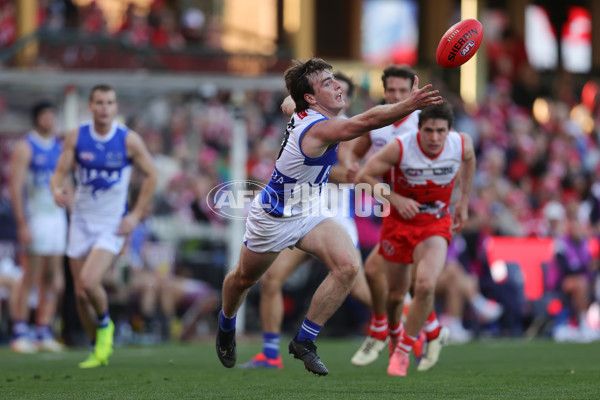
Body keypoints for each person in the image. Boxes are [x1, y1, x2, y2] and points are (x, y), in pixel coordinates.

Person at [215, 58, 441, 376]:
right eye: (326, 83)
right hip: (274, 217)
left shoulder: (303, 111)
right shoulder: (320, 127)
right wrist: (408, 104)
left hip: (311, 211)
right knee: (243, 279)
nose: (336, 85)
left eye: (333, 79)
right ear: (310, 98)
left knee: (347, 266)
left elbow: (286, 105)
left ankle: (304, 341)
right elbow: (365, 122)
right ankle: (226, 324)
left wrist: (298, 89)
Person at [240, 72, 372, 369]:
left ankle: (407, 325)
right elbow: (291, 104)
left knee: (361, 290)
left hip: (334, 216)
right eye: (329, 85)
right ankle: (271, 354)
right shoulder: (311, 117)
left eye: (341, 88)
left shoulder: (347, 130)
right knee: (273, 278)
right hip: (304, 214)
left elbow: (350, 176)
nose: (336, 90)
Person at [356, 101, 476, 376]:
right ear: (419, 129)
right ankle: (397, 334)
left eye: (441, 131)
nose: (435, 138)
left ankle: (403, 351)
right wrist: (394, 198)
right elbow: (364, 176)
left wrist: (464, 200)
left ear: (449, 131)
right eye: (429, 131)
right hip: (399, 223)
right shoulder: (401, 147)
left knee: (424, 285)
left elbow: (470, 160)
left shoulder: (461, 144)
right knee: (397, 295)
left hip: (435, 222)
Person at [336, 65, 440, 367]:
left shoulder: (426, 124)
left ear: (413, 90)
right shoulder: (379, 121)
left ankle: (402, 335)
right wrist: (353, 163)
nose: (395, 96)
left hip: (423, 210)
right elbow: (355, 152)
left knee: (402, 281)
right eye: (391, 91)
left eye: (402, 91)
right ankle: (419, 333)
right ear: (385, 92)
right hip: (396, 209)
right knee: (390, 279)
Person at [50, 84, 157, 368]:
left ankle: (106, 325)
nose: (104, 108)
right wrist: (56, 189)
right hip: (81, 222)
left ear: (115, 106)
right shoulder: (77, 136)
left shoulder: (127, 140)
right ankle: (97, 348)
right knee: (80, 293)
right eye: (99, 102)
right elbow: (59, 173)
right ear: (90, 106)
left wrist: (134, 216)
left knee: (88, 282)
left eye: (109, 102)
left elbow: (151, 176)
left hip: (111, 225)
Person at [9, 101, 66, 353]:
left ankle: (44, 329)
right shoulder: (25, 147)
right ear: (37, 118)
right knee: (30, 274)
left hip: (57, 218)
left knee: (53, 276)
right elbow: (16, 187)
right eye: (46, 115)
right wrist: (22, 222)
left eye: (52, 115)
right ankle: (20, 329)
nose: (50, 120)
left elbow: (66, 184)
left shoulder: (60, 146)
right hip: (37, 217)